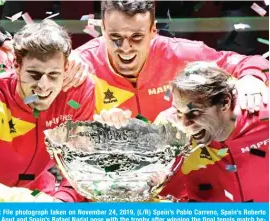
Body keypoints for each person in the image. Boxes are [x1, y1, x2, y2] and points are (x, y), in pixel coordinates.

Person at [74, 0, 268, 201]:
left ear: (153, 31)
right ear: (103, 29)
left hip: (183, 198)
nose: (125, 48)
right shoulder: (77, 67)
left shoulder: (184, 54)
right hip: (117, 198)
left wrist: (252, 79)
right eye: (115, 37)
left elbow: (250, 62)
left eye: (137, 37)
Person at [0, 19, 94, 218]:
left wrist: (64, 201)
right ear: (16, 64)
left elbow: (80, 165)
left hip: (43, 194)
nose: (43, 86)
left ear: (66, 67)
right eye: (34, 74)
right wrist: (39, 204)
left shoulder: (80, 89)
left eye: (54, 74)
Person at [155, 62, 268, 202]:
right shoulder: (169, 128)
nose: (184, 124)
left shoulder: (264, 116)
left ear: (225, 102)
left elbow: (253, 61)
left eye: (195, 112)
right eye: (178, 111)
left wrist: (253, 76)